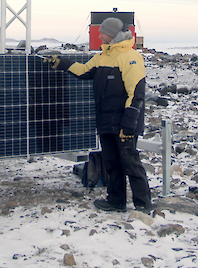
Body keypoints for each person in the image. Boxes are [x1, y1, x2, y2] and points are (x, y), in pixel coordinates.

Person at [46, 17, 152, 213]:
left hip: (124, 123)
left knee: (130, 162)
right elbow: (84, 71)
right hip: (106, 120)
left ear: (112, 35)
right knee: (111, 162)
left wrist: (128, 125)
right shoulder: (103, 56)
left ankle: (143, 205)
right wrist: (61, 63)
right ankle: (116, 201)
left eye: (103, 32)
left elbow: (136, 93)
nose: (99, 35)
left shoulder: (131, 57)